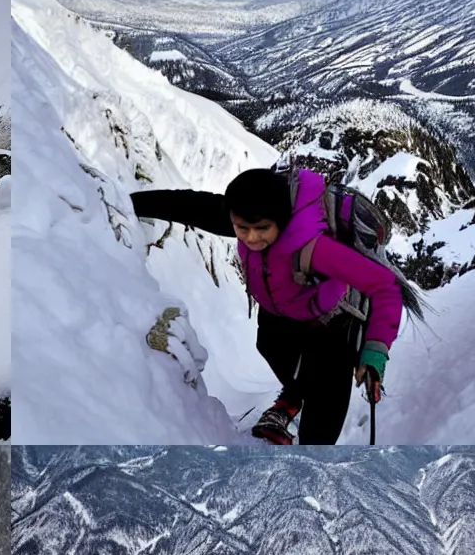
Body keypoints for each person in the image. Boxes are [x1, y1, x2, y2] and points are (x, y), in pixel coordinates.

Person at [131, 166, 410, 445]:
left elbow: (384, 286)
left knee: (320, 427)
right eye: (242, 229)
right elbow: (188, 206)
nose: (252, 238)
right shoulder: (246, 218)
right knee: (268, 345)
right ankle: (293, 396)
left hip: (332, 333)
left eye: (262, 228)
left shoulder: (316, 250)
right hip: (282, 318)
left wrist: (375, 351)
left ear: (281, 219)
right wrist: (129, 202)